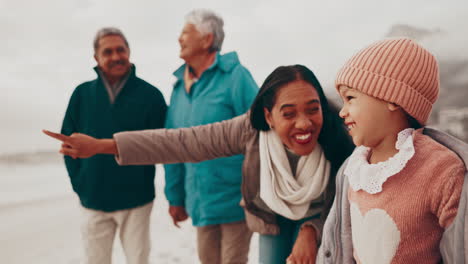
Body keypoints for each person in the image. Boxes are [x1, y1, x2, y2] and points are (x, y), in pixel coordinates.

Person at [43, 64, 354, 264]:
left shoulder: (338, 136)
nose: (304, 124)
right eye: (288, 114)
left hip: (322, 214)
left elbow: (344, 197)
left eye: (312, 109)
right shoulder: (249, 129)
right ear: (268, 116)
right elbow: (181, 142)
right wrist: (102, 145)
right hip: (269, 215)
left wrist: (311, 230)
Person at [316, 38, 468, 263]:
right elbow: (337, 243)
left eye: (350, 98)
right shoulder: (354, 169)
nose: (342, 111)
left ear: (392, 99)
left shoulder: (441, 169)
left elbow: (460, 249)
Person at [59, 27, 167, 264]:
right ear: (96, 58)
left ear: (129, 51)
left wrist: (175, 194)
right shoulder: (81, 95)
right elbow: (67, 145)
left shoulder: (151, 96)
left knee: (138, 260)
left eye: (121, 49)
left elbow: (167, 146)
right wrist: (80, 185)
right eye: (108, 52)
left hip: (137, 200)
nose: (116, 56)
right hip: (93, 201)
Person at [164, 9, 258, 264]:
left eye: (186, 32)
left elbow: (262, 133)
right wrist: (175, 197)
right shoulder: (178, 89)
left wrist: (256, 191)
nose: (179, 39)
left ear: (207, 39)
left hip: (235, 200)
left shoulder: (236, 77)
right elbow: (172, 146)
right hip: (200, 203)